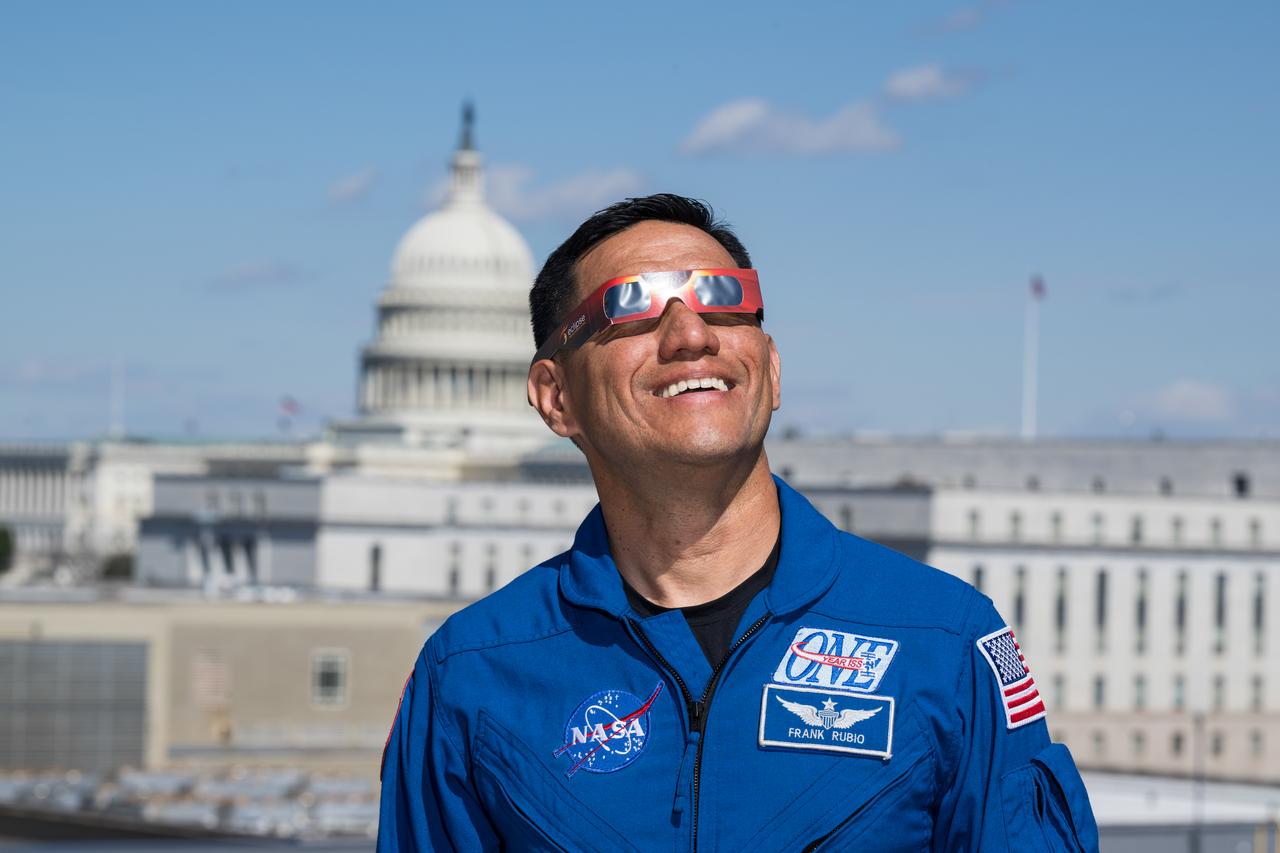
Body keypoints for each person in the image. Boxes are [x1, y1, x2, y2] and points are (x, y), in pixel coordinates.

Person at [378, 194, 1099, 851]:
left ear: (772, 369)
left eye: (724, 301)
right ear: (555, 395)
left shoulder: (943, 641)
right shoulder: (470, 675)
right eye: (632, 306)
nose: (692, 333)